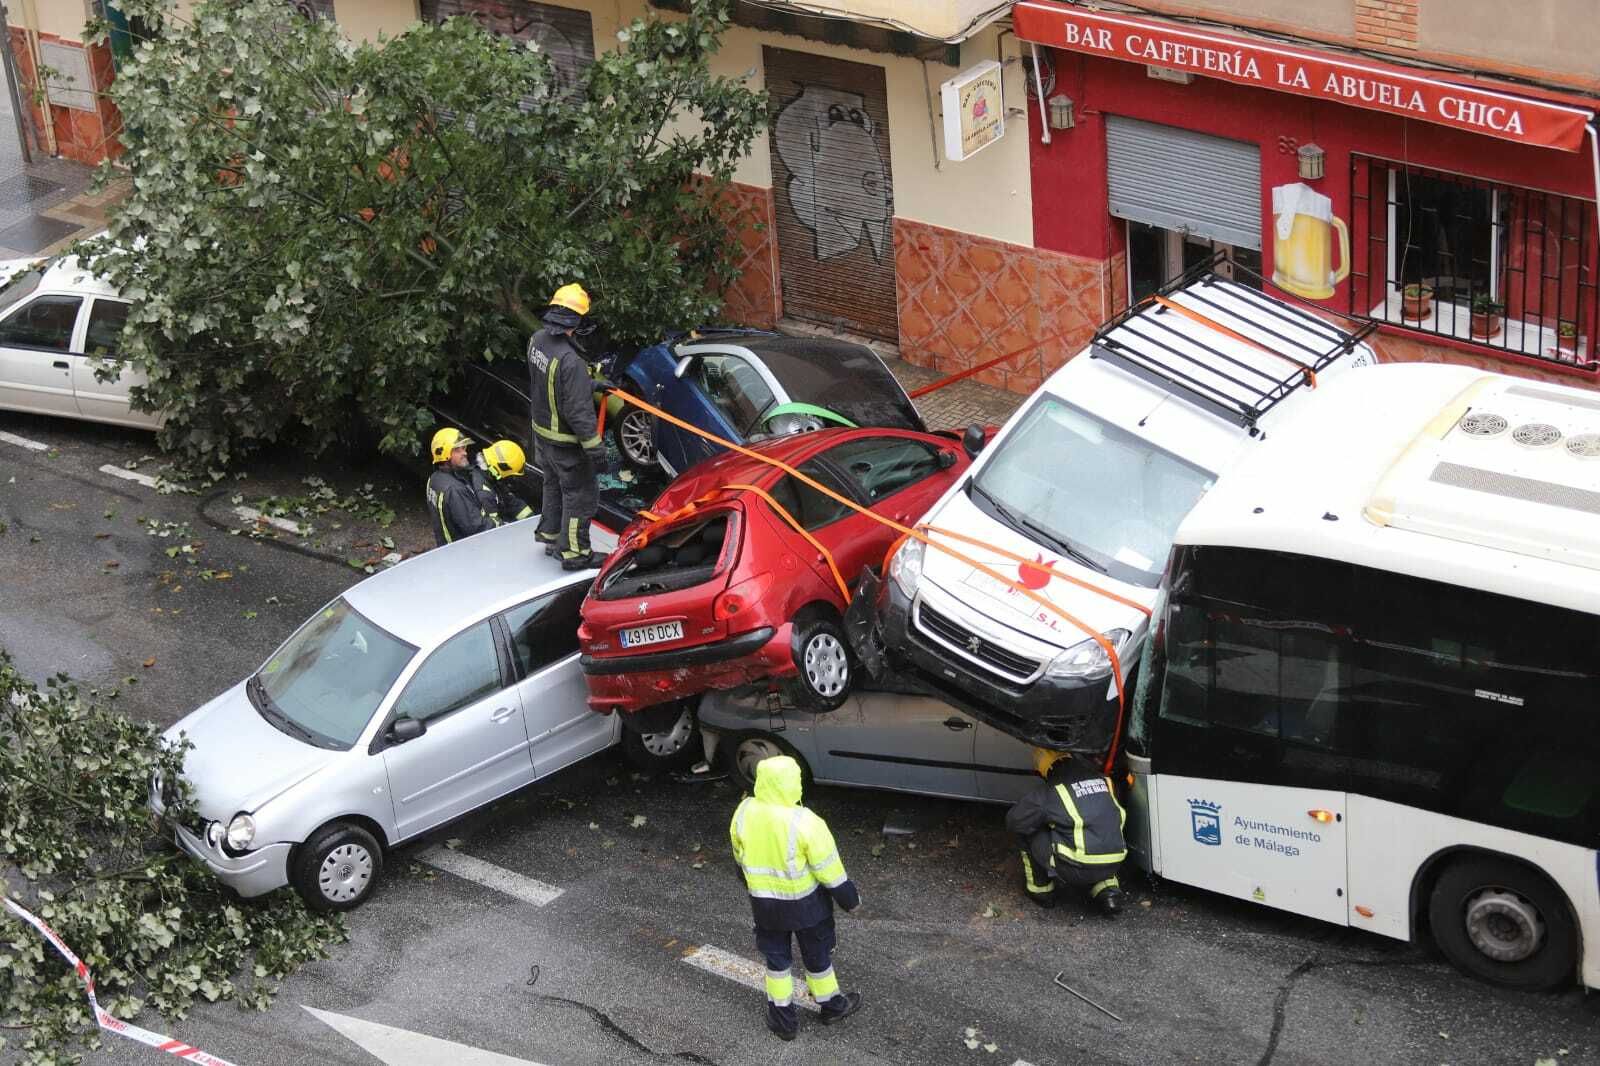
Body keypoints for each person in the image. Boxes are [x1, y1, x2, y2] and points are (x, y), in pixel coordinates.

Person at [729, 755, 865, 1041]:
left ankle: (783, 1022)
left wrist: (752, 884)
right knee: (817, 958)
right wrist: (849, 901)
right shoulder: (806, 821)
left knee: (777, 964)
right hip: (808, 908)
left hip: (765, 906)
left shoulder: (744, 812)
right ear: (792, 783)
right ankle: (831, 1006)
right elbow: (830, 871)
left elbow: (740, 857)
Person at [528, 282, 609, 570]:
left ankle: (551, 535)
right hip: (565, 443)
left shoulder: (537, 340)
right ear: (577, 320)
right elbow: (577, 411)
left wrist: (590, 384)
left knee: (553, 486)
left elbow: (553, 382)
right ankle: (575, 553)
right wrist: (596, 449)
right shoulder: (571, 360)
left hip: (541, 436)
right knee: (581, 495)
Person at [1005, 748, 1128, 916]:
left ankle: (1041, 891)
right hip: (1114, 862)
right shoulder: (1103, 781)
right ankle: (1108, 891)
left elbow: (1014, 821)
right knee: (1098, 832)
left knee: (1026, 828)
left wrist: (1048, 823)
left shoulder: (1053, 791)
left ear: (1045, 769)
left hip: (1077, 869)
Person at [425, 427, 496, 548]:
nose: (465, 453)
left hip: (445, 545)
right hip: (460, 552)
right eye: (457, 450)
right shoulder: (454, 490)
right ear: (444, 454)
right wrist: (497, 522)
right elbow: (475, 527)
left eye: (464, 448)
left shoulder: (433, 479)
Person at [482, 439, 538, 523]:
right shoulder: (483, 489)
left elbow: (511, 501)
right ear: (502, 468)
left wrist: (532, 520)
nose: (511, 478)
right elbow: (492, 527)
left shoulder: (493, 477)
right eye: (510, 475)